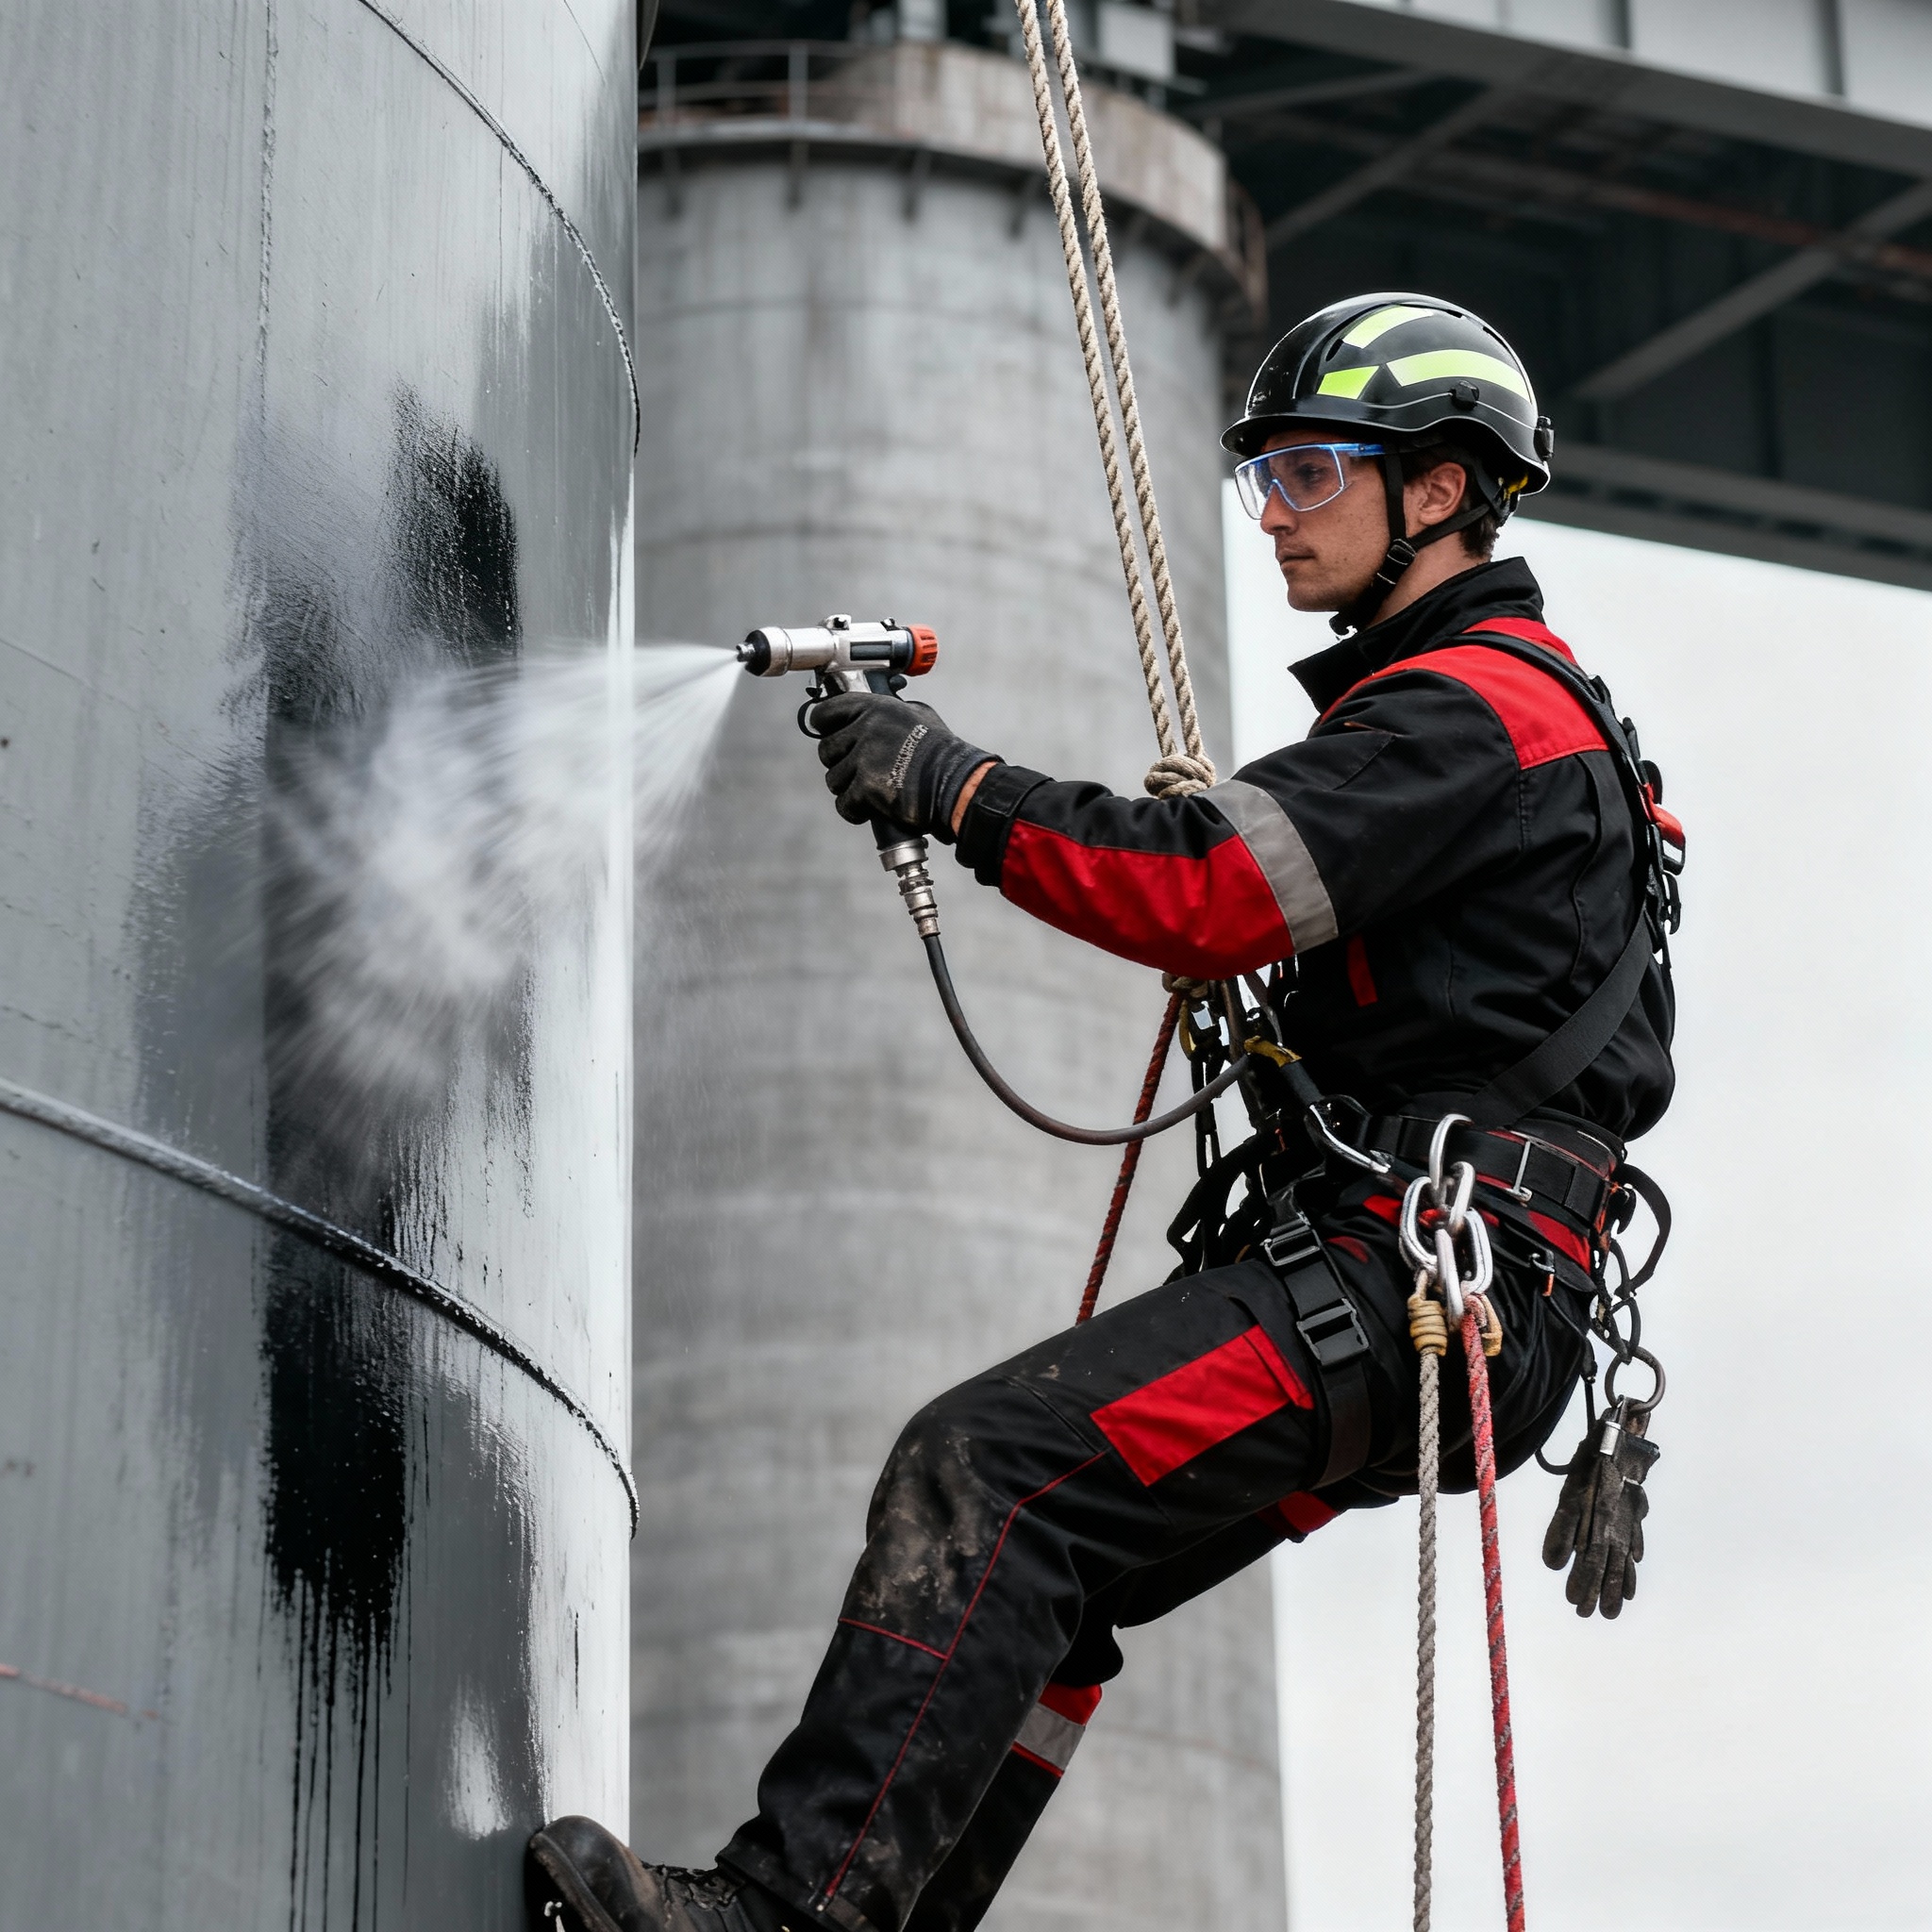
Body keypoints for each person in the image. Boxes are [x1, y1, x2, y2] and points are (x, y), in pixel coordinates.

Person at [528, 292, 1678, 1932]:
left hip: (1417, 1282)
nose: (1274, 511)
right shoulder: (1472, 716)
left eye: (1312, 472)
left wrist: (953, 785)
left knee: (985, 1471)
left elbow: (1204, 887)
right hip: (1439, 1286)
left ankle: (789, 1918)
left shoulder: (1476, 711)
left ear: (1439, 492)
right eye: (1263, 476)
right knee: (1057, 1577)